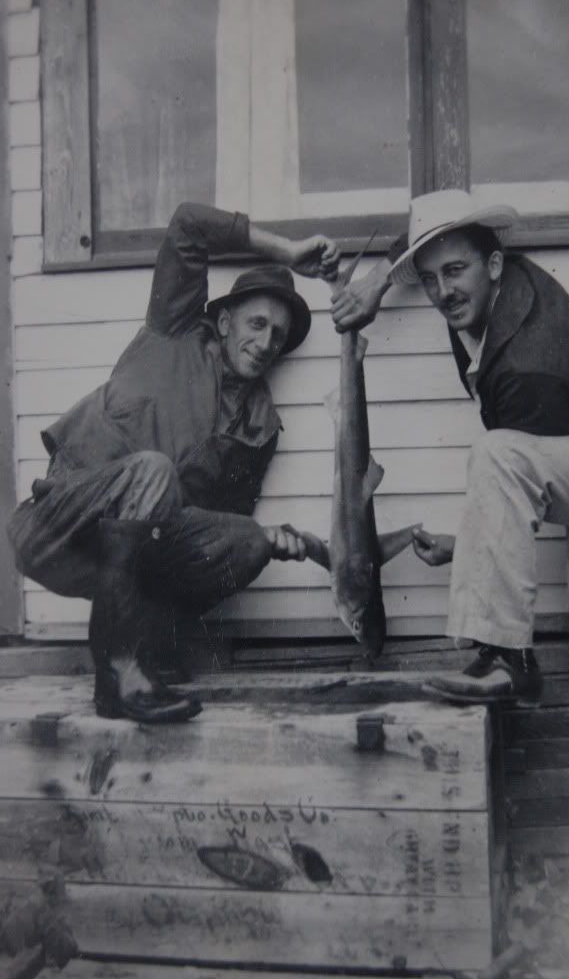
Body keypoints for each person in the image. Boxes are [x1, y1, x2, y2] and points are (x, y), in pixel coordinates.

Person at [331, 188, 569, 891]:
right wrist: (380, 283)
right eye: (430, 279)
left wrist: (474, 547)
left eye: (455, 272)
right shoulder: (491, 295)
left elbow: (521, 475)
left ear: (494, 264)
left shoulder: (527, 361)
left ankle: (508, 658)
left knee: (496, 452)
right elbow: (538, 480)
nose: (442, 292)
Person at [8, 203, 340, 724]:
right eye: (256, 324)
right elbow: (188, 223)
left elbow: (211, 531)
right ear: (224, 322)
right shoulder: (176, 329)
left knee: (248, 540)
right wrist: (289, 251)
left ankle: (148, 648)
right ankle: (118, 674)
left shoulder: (259, 426)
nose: (265, 343)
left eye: (277, 335)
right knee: (154, 471)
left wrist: (270, 537)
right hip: (57, 527)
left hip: (131, 561)